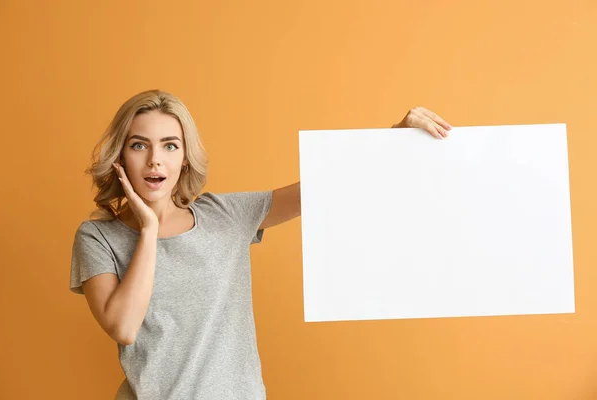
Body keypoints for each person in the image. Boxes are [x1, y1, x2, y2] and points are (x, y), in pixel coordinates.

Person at [69, 89, 452, 400]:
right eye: (139, 145)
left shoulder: (225, 215)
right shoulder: (98, 237)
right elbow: (124, 326)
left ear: (185, 158)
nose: (156, 160)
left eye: (170, 146)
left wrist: (392, 140)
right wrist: (149, 229)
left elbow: (326, 190)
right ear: (120, 155)